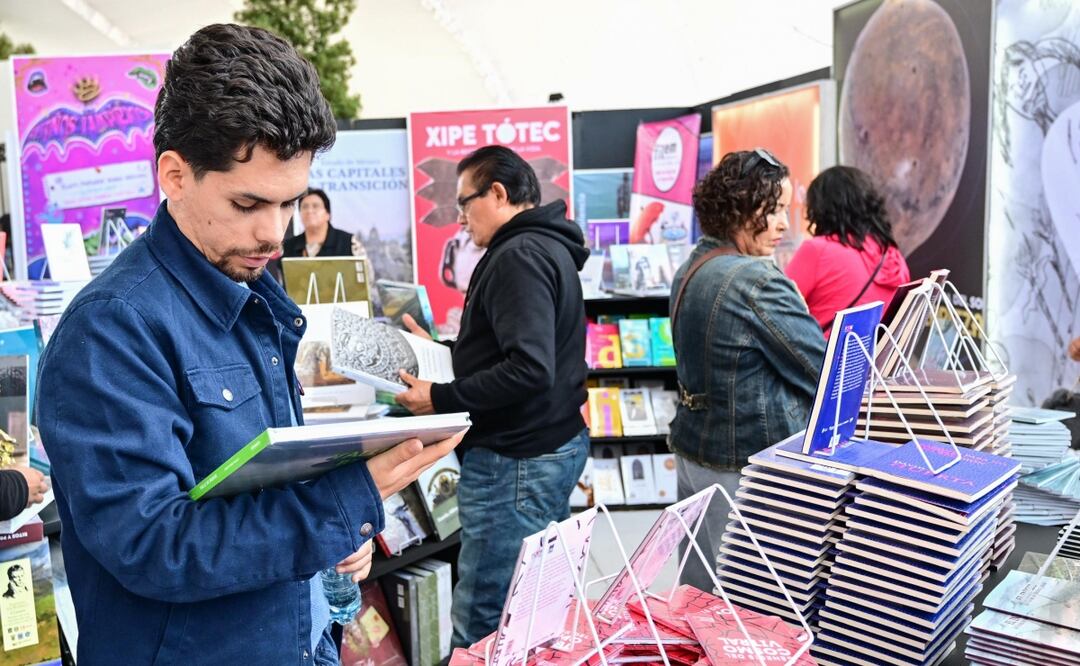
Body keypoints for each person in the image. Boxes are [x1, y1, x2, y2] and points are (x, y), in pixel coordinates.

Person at [34, 24, 462, 664]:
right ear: (175, 176)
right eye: (247, 203)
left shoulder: (255, 291)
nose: (274, 232)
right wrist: (344, 504)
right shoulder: (111, 330)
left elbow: (266, 483)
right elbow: (155, 547)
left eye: (290, 203)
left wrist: (338, 536)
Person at [393, 145, 590, 648]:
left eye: (465, 203)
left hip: (514, 462)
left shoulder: (519, 255)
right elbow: (511, 349)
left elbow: (529, 369)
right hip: (544, 446)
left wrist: (440, 396)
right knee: (532, 607)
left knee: (488, 614)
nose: (460, 220)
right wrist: (442, 351)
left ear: (498, 194)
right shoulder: (541, 247)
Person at [669, 148, 826, 594]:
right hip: (747, 465)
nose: (782, 224)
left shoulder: (691, 268)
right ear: (739, 207)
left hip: (695, 450)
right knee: (749, 607)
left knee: (697, 596)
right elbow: (819, 372)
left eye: (784, 211)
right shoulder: (756, 280)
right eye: (772, 209)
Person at [785, 165, 911, 334]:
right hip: (876, 360)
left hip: (821, 358)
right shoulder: (894, 257)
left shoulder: (817, 251)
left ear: (822, 208)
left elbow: (774, 310)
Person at [283, 188, 355, 258]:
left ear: (328, 214)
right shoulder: (288, 246)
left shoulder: (349, 242)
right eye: (305, 207)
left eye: (315, 206)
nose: (309, 211)